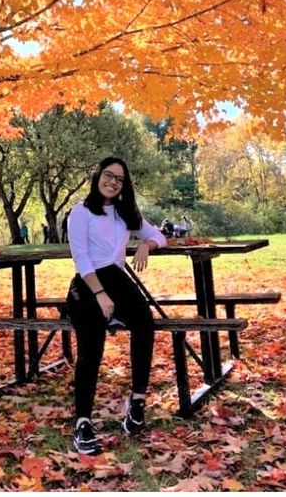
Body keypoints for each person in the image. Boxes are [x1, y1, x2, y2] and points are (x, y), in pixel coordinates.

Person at [66, 156, 166, 455]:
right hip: (87, 285)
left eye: (119, 179)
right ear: (97, 177)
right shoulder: (80, 213)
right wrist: (100, 294)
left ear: (124, 185)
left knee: (146, 324)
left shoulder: (125, 213)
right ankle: (83, 422)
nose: (112, 181)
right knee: (91, 345)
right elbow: (81, 258)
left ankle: (137, 401)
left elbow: (157, 234)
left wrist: (147, 245)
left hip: (118, 283)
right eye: (108, 175)